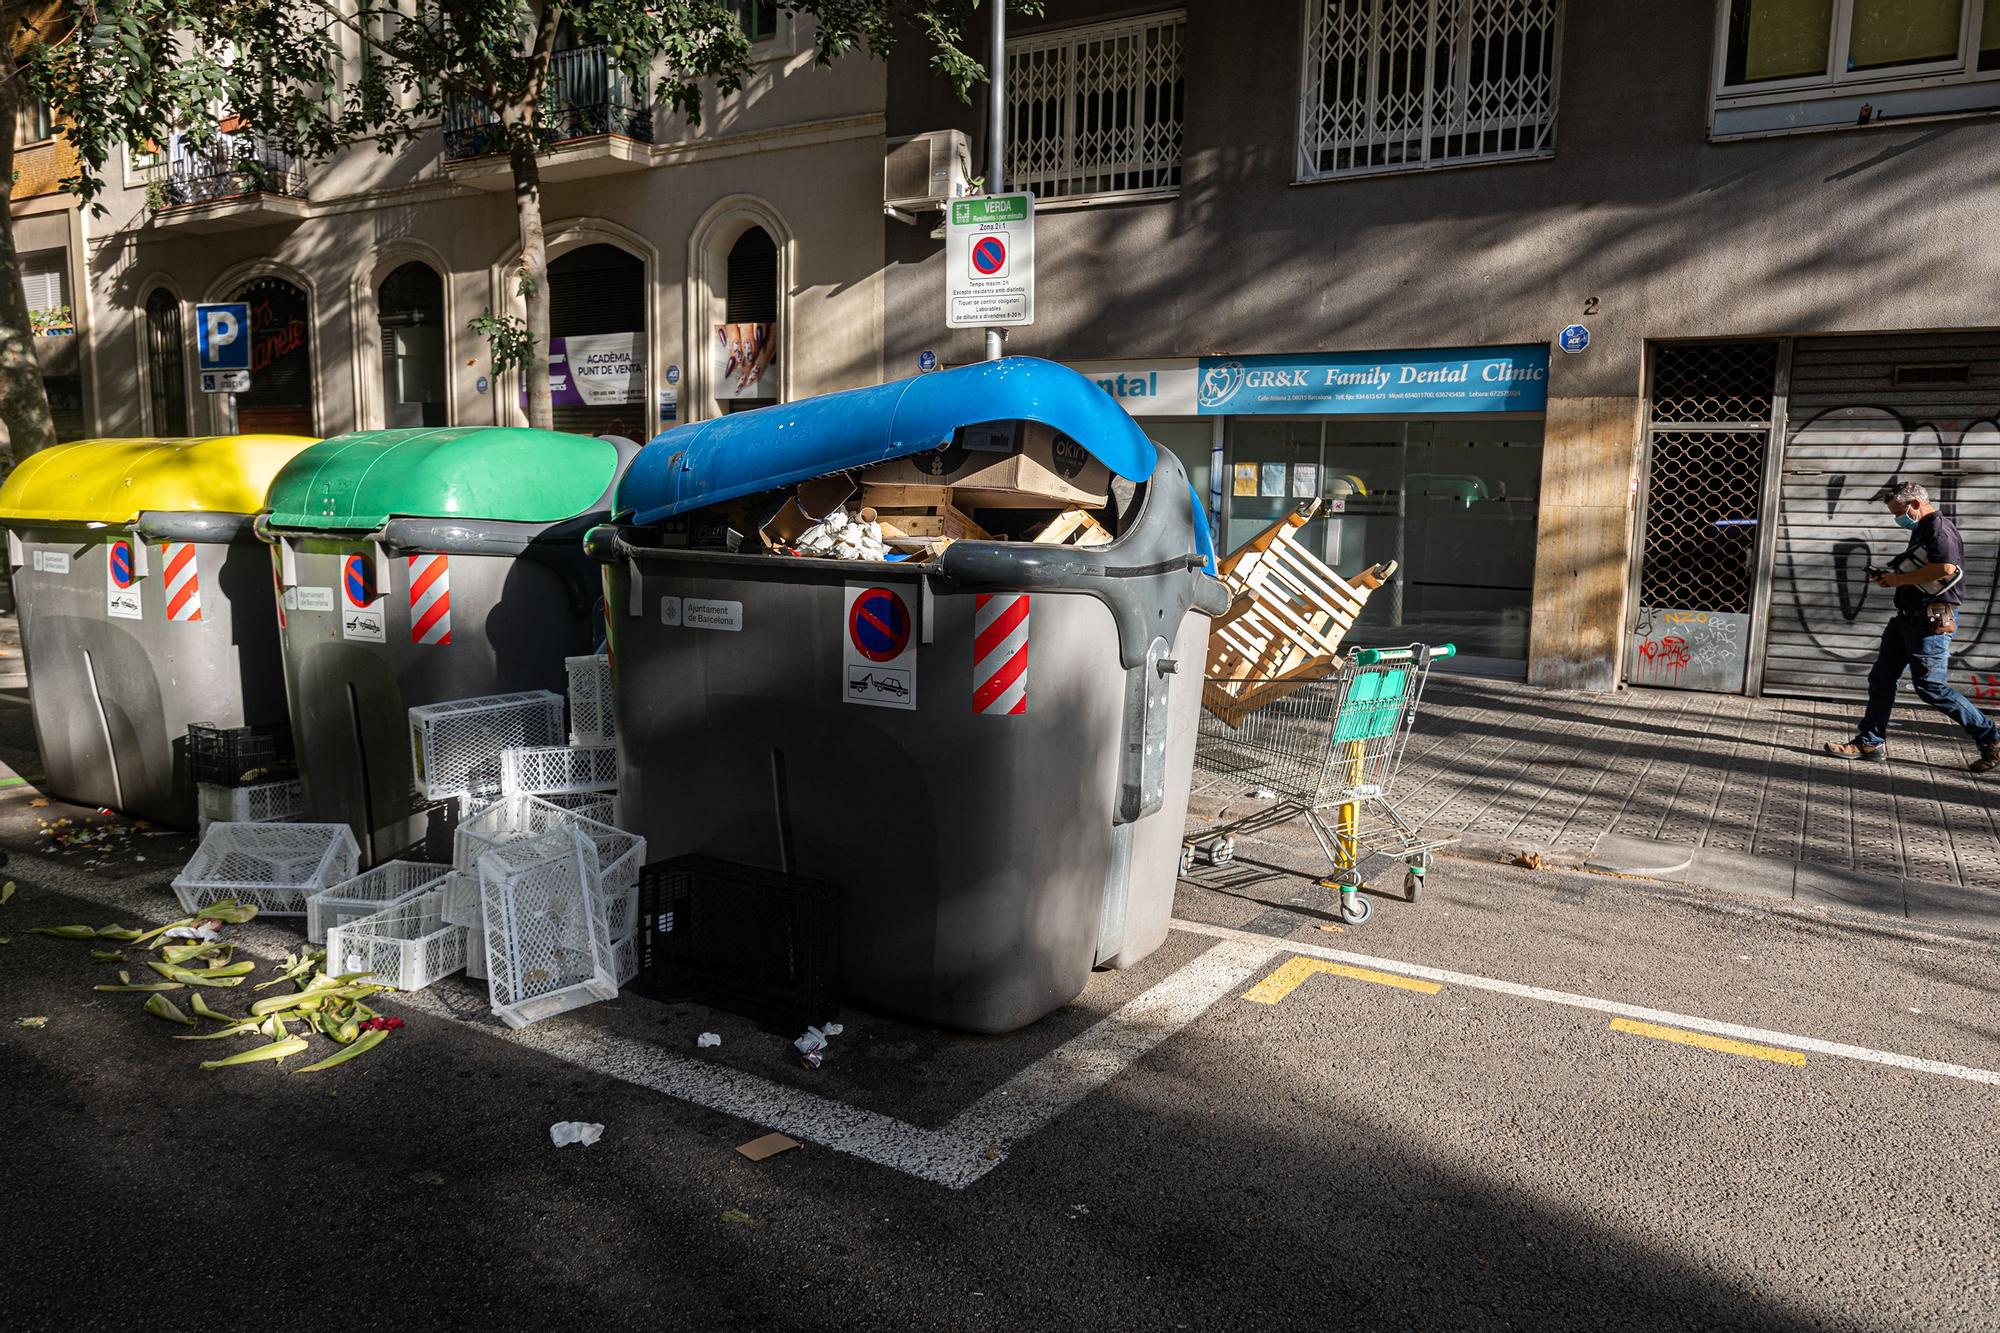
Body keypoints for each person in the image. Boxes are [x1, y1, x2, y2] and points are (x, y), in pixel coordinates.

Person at [1825, 482, 2000, 773]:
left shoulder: (1938, 528)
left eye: (1898, 512)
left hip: (1928, 620)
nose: (1897, 518)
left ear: (1915, 505)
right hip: (1906, 618)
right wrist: (1892, 574)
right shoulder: (1922, 528)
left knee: (1931, 687)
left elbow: (1946, 569)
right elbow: (1923, 570)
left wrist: (1898, 580)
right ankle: (1870, 742)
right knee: (1882, 678)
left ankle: (1991, 737)